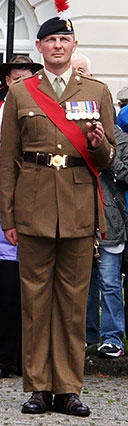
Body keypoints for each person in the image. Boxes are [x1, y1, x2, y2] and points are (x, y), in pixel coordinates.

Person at [0, 0, 116, 417]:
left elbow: (109, 161)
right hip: (32, 208)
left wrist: (100, 144)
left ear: (73, 44)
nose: (58, 46)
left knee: (72, 302)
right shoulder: (21, 93)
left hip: (79, 207)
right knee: (35, 301)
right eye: (50, 40)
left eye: (64, 39)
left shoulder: (97, 91)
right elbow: (8, 159)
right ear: (40, 47)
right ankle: (38, 387)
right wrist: (6, 215)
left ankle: (68, 387)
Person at [0, 55, 43, 326]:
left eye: (26, 78)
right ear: (7, 80)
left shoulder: (41, 106)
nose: (22, 84)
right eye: (16, 79)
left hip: (32, 200)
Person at [86, 107, 128, 356]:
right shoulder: (77, 137)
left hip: (110, 221)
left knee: (110, 283)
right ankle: (86, 335)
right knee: (83, 285)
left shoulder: (123, 139)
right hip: (81, 219)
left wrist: (107, 156)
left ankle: (112, 338)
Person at [0, 149, 22, 379]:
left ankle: (28, 360)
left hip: (40, 236)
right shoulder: (4, 152)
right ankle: (3, 359)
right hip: (9, 239)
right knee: (9, 300)